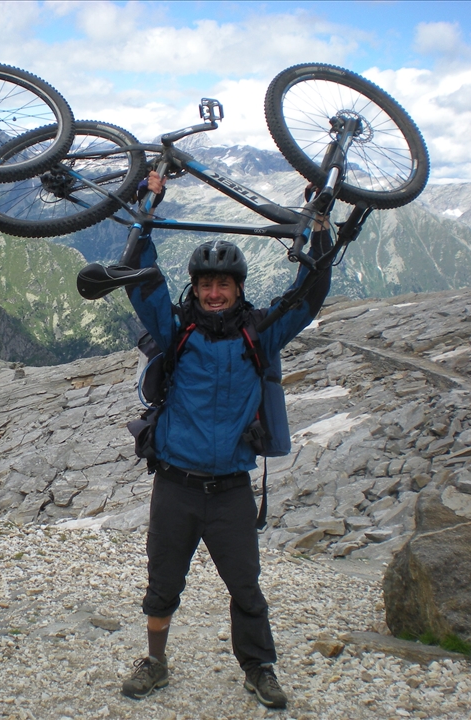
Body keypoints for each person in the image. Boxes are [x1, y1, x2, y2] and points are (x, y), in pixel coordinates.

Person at [119, 172, 331, 709]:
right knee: (162, 582)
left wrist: (321, 230)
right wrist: (148, 210)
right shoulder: (177, 331)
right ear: (196, 288)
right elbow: (142, 283)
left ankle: (258, 668)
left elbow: (310, 295)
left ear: (238, 290)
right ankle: (156, 661)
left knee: (246, 587)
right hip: (176, 484)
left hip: (232, 487)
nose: (214, 293)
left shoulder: (259, 333)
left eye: (224, 285)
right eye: (206, 285)